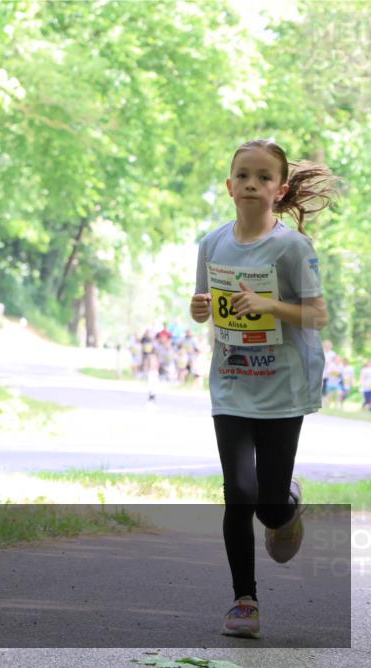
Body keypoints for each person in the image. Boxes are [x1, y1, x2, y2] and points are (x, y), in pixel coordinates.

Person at [190, 139, 338, 639]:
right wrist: (201, 308)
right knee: (239, 494)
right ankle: (244, 601)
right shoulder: (211, 245)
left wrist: (269, 307)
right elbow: (207, 302)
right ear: (230, 186)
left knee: (269, 504)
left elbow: (318, 315)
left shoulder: (293, 248)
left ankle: (287, 507)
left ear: (281, 189)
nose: (252, 184)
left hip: (282, 389)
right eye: (243, 176)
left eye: (263, 177)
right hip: (232, 385)